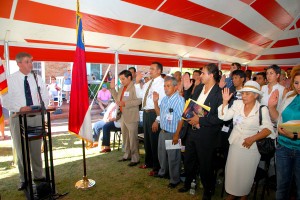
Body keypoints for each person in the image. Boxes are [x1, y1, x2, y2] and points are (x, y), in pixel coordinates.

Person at [218, 81, 275, 200]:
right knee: (232, 171)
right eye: (243, 93)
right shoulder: (237, 104)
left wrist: (253, 138)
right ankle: (232, 193)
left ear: (255, 95)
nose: (243, 96)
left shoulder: (261, 109)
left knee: (246, 173)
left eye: (247, 94)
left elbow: (268, 129)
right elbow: (224, 117)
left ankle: (243, 194)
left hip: (251, 148)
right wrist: (225, 101)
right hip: (235, 143)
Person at [2, 52, 49, 191]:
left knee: (36, 149)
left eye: (31, 61)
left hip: (36, 117)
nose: (30, 64)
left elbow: (45, 96)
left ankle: (39, 176)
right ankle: (24, 179)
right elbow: (5, 100)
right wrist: (19, 108)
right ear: (19, 63)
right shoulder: (11, 80)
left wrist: (42, 106)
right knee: (21, 150)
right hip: (18, 118)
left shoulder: (37, 78)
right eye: (27, 61)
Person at [176, 63, 223, 200]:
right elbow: (189, 105)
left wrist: (199, 120)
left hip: (206, 135)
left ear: (211, 75)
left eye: (203, 73)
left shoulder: (219, 93)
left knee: (205, 164)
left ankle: (208, 190)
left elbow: (219, 118)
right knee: (189, 160)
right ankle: (188, 183)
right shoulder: (200, 88)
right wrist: (185, 91)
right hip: (191, 131)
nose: (200, 75)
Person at [268, 66, 300, 200]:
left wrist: (294, 136)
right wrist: (271, 106)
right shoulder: (289, 96)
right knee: (282, 186)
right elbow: (277, 119)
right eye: (297, 83)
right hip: (283, 147)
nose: (299, 86)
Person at [153, 77, 185, 189]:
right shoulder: (165, 99)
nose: (165, 88)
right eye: (164, 86)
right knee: (161, 155)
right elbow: (159, 113)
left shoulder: (180, 100)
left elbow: (182, 118)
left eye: (168, 86)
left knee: (174, 158)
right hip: (163, 131)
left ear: (175, 87)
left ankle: (174, 180)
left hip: (173, 133)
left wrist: (177, 134)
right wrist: (155, 102)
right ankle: (163, 173)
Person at [135, 62, 166, 176]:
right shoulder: (149, 83)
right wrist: (138, 82)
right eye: (150, 68)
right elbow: (140, 95)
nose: (150, 70)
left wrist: (157, 120)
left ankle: (157, 167)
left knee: (155, 142)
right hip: (147, 113)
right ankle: (148, 162)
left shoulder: (162, 84)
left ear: (159, 71)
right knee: (147, 140)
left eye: (152, 69)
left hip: (155, 113)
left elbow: (162, 103)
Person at [110, 70, 141, 166]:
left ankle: (135, 158)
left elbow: (139, 101)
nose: (121, 81)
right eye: (120, 79)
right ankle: (127, 155)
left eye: (123, 79)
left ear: (129, 77)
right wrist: (112, 89)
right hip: (123, 116)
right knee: (125, 137)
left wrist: (125, 104)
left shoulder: (135, 87)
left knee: (133, 138)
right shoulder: (122, 87)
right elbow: (117, 100)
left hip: (131, 116)